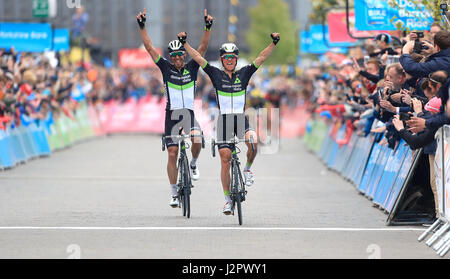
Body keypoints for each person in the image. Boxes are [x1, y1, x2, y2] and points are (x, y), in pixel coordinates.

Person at [179, 31, 279, 214]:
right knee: (225, 158)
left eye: (233, 57)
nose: (230, 60)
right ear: (222, 59)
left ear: (236, 59)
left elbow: (261, 57)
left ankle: (247, 170)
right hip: (224, 121)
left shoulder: (244, 73)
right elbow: (198, 58)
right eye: (226, 58)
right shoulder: (215, 74)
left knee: (254, 143)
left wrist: (274, 43)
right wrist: (184, 43)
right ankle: (227, 200)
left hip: (241, 119)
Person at [136, 8, 214, 208]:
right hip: (172, 115)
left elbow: (203, 47)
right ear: (170, 57)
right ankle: (173, 192)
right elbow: (149, 48)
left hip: (188, 114)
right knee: (172, 153)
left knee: (197, 138)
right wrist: (142, 26)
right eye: (174, 55)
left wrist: (207, 27)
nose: (178, 58)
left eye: (180, 54)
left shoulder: (192, 67)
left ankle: (193, 164)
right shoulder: (165, 68)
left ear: (184, 55)